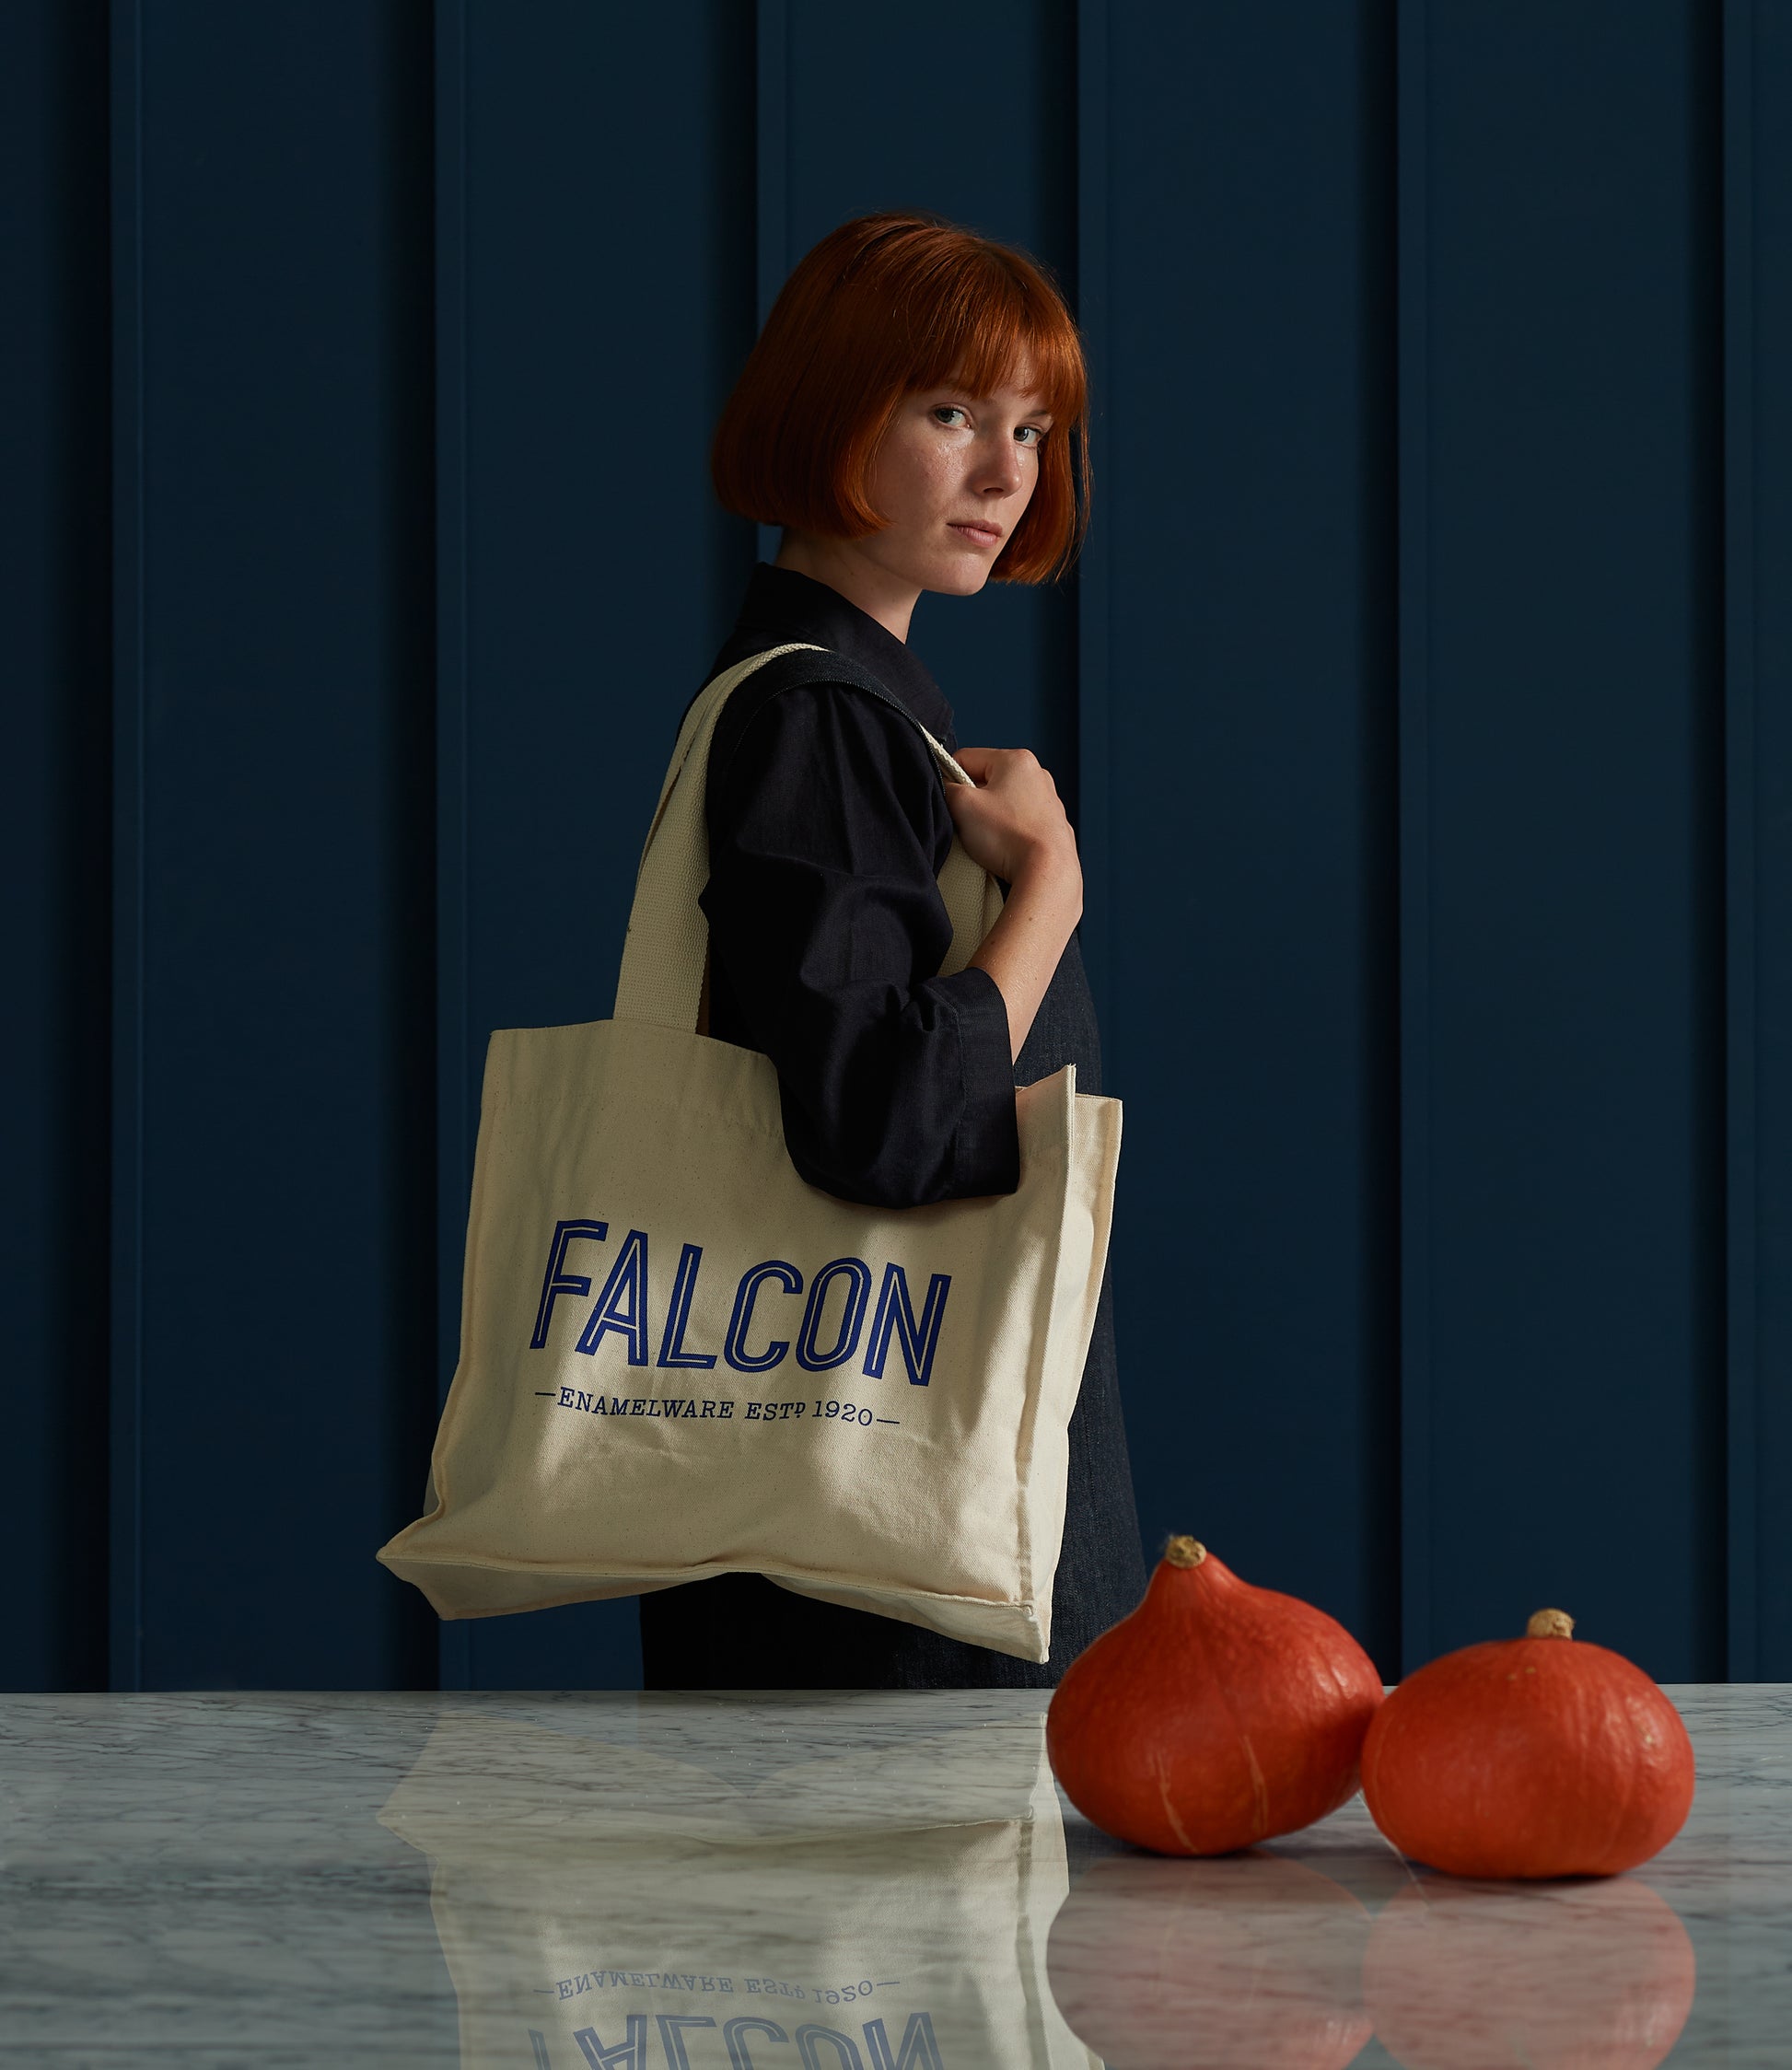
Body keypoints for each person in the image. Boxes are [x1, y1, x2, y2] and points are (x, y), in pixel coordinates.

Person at [637, 212, 1145, 1689]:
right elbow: (886, 1123)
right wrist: (1046, 889)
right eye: (950, 414)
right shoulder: (818, 722)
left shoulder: (844, 713)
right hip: (888, 1579)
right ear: (826, 409)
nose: (1004, 475)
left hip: (861, 1546)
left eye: (1034, 431)